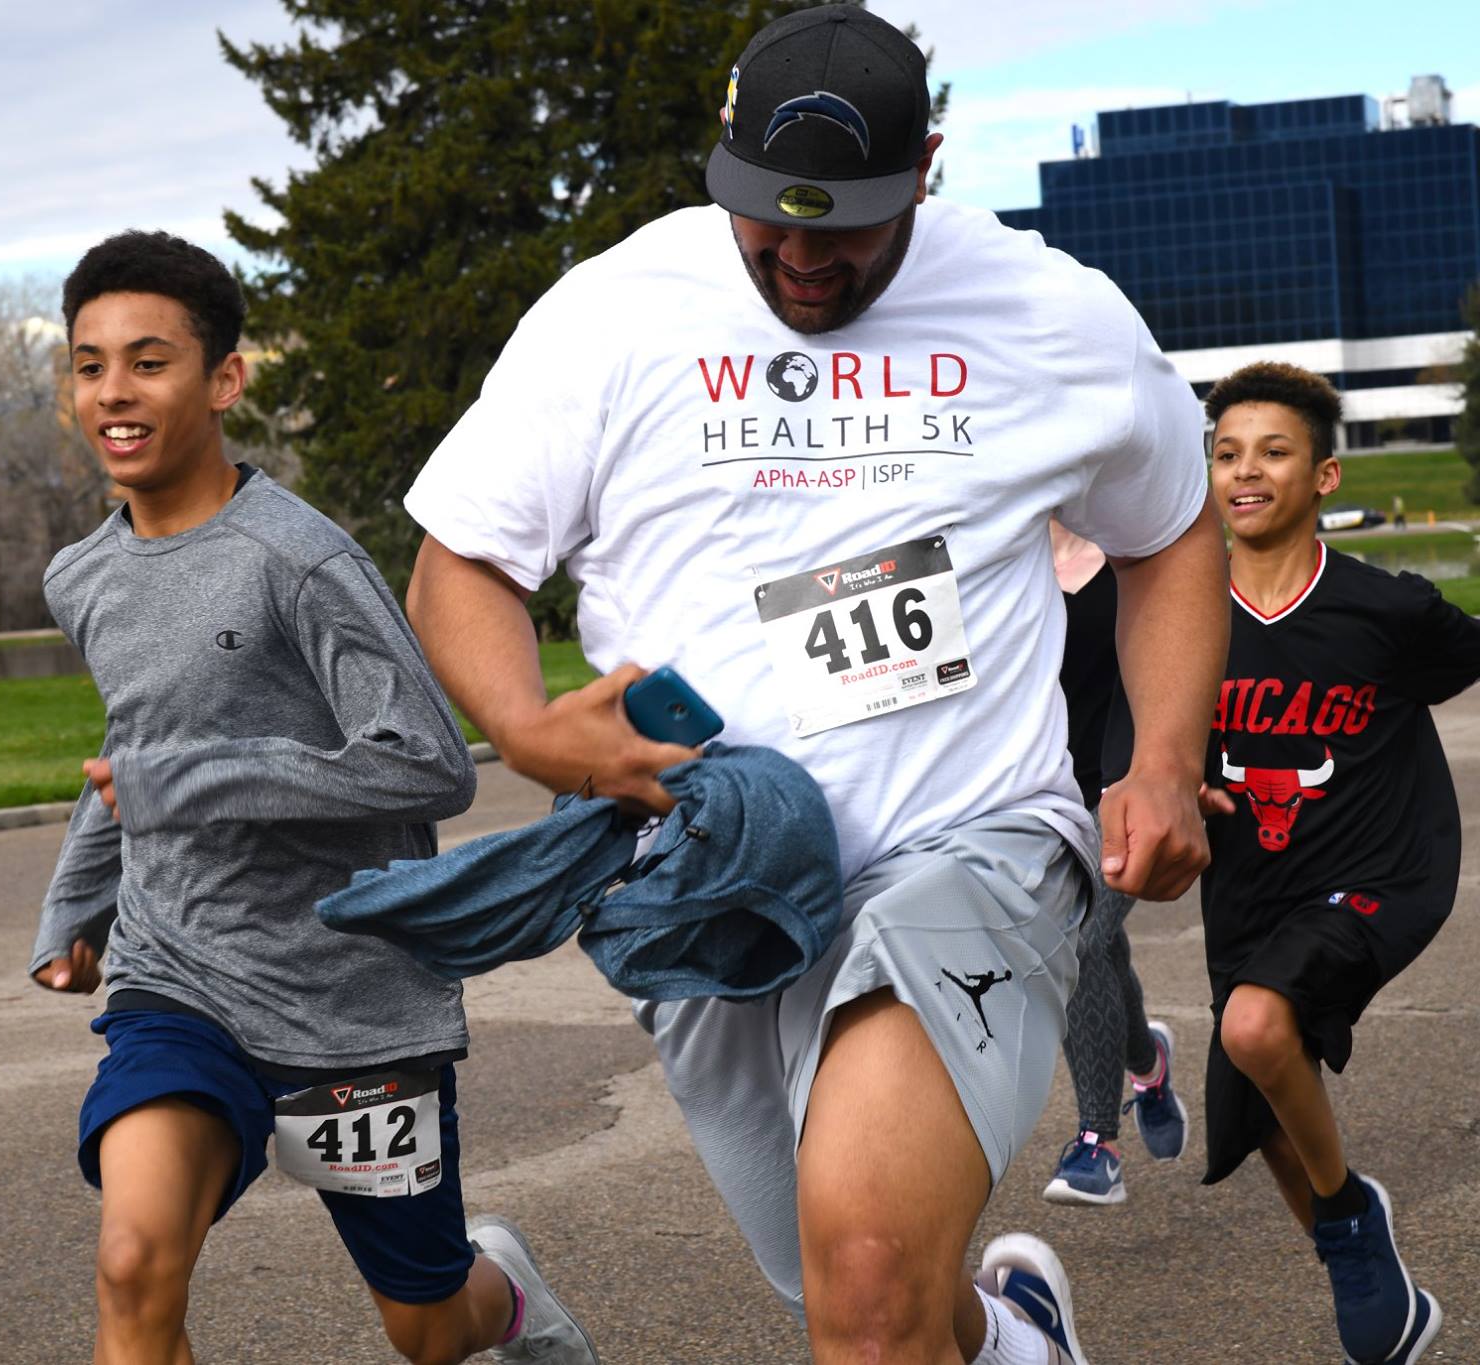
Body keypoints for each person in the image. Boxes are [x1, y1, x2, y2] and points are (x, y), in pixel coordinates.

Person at [401, 9, 1228, 1364]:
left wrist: (1162, 759)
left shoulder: (1048, 314)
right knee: (856, 1292)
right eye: (764, 219)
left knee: (865, 1265)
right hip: (713, 882)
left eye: (840, 226)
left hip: (968, 844)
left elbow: (1172, 525)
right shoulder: (619, 312)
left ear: (928, 170)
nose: (795, 257)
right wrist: (529, 725)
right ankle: (1018, 1341)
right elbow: (463, 562)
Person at [28, 229, 598, 1365]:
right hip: (176, 977)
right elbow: (134, 749)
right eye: (89, 366)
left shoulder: (298, 561)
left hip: (349, 999)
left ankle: (513, 1303)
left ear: (223, 380)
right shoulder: (81, 575)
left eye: (148, 360)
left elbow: (429, 759)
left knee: (429, 1329)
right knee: (133, 1267)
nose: (113, 393)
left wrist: (199, 778)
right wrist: (72, 912)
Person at [1199, 361, 1474, 1364]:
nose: (1245, 471)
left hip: (1373, 876)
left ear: (1322, 476)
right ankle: (1372, 1279)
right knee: (1264, 1106)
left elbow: (1466, 655)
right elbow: (1119, 727)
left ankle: (1351, 1221)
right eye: (1226, 453)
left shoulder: (1386, 611)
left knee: (1254, 1022)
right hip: (1245, 895)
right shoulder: (1180, 623)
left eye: (1273, 452)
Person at [1040, 522, 1190, 1206]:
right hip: (1040, 799)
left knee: (1081, 938)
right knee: (1101, 945)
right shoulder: (998, 566)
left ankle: (1096, 1142)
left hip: (1126, 789)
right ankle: (1147, 1061)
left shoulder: (1136, 554)